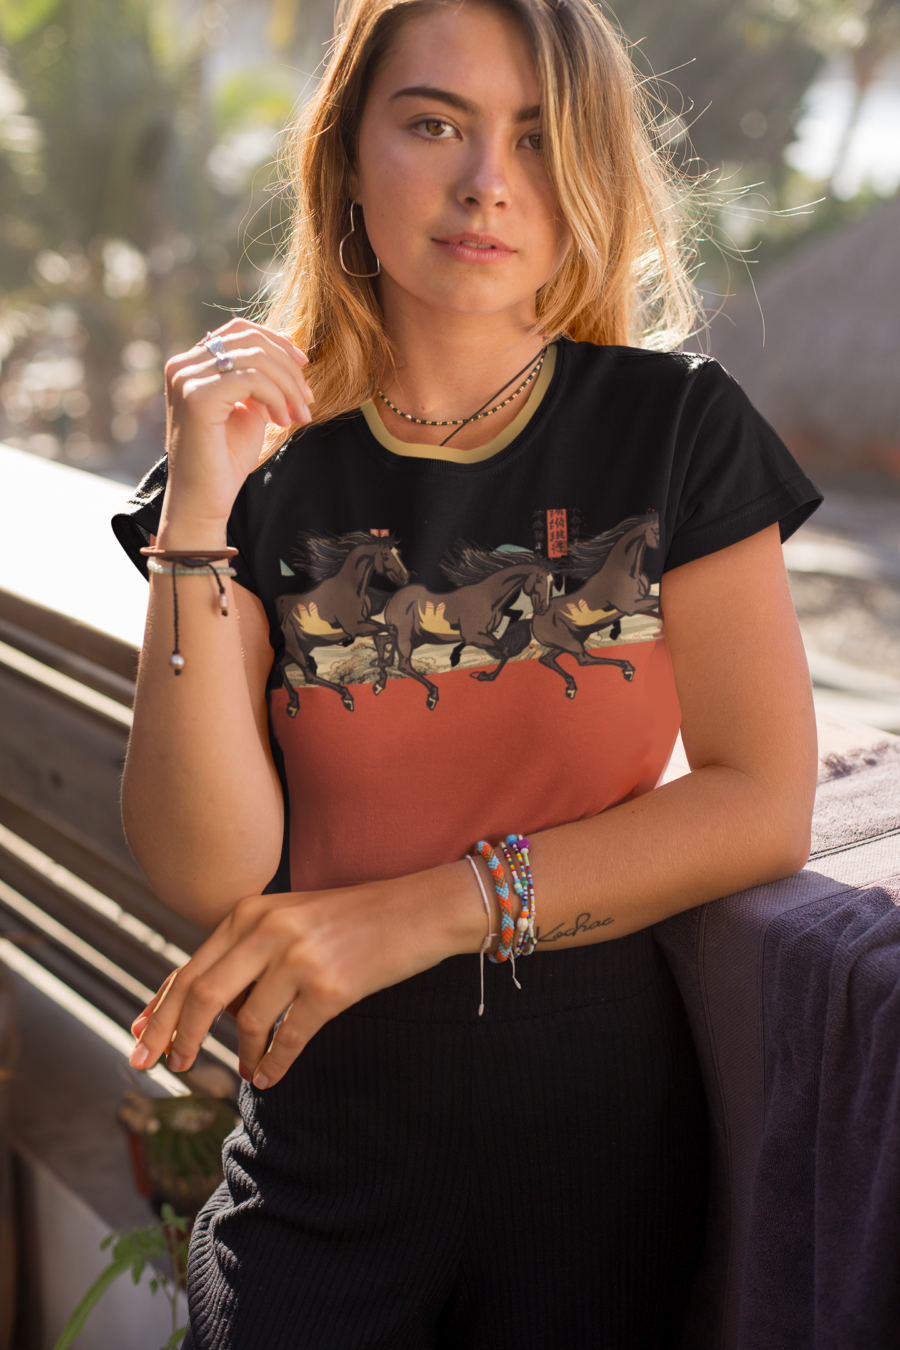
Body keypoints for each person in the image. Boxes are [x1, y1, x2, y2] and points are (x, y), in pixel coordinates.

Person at [113, 0, 821, 1343]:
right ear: (346, 159)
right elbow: (210, 872)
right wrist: (196, 511)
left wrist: (424, 911)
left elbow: (758, 798)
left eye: (540, 140)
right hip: (324, 1141)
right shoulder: (256, 471)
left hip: (605, 1136)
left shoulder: (678, 429)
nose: (488, 182)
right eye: (434, 123)